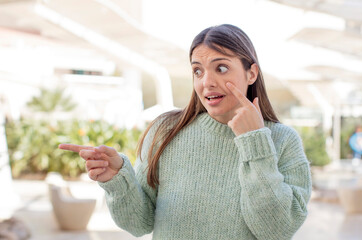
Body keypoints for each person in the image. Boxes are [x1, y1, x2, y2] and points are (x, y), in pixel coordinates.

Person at [59, 24, 312, 240]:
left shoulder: (282, 141)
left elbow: (275, 230)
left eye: (221, 68)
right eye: (197, 70)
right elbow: (140, 223)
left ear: (251, 73)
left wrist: (254, 142)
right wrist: (117, 180)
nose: (206, 82)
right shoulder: (165, 131)